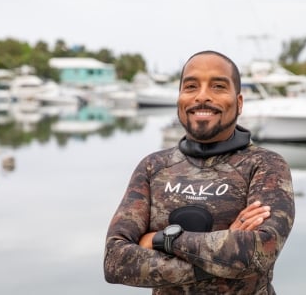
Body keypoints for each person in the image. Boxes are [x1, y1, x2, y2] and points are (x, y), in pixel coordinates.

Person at [104, 50, 295, 294]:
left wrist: (159, 240)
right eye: (191, 86)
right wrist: (222, 252)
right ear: (179, 99)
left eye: (218, 86)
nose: (202, 96)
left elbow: (258, 252)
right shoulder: (153, 166)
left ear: (239, 102)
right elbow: (115, 261)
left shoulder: (265, 166)